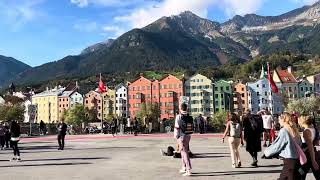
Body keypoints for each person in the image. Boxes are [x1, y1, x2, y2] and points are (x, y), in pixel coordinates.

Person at [264, 112, 302, 180]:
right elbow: (300, 144)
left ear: (283, 119)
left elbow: (277, 145)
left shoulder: (284, 131)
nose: (278, 121)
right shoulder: (294, 130)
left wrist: (266, 152)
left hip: (289, 162)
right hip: (296, 161)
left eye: (279, 119)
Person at [174, 103, 193, 176]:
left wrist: (176, 136)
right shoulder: (189, 116)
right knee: (183, 151)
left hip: (181, 136)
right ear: (186, 108)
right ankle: (184, 167)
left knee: (184, 152)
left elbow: (176, 127)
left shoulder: (179, 116)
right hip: (188, 135)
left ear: (180, 108)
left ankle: (188, 169)